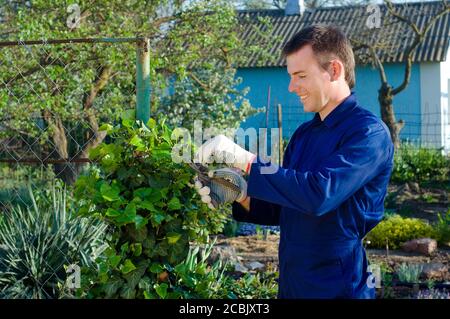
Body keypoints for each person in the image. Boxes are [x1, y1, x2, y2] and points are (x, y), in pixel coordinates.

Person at [193, 25, 394, 299]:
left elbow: (319, 194)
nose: (291, 87)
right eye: (290, 76)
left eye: (300, 75)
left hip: (339, 288)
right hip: (292, 284)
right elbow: (285, 207)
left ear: (334, 70)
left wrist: (247, 160)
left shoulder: (368, 134)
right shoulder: (304, 135)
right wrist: (242, 192)